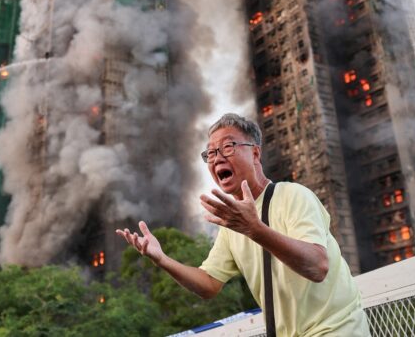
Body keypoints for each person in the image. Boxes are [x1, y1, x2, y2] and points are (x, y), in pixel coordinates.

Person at [116, 113, 370, 336]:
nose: (217, 158)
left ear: (256, 153)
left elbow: (317, 266)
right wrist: (162, 259)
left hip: (336, 330)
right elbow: (208, 284)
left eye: (228, 147)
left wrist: (254, 229)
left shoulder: (293, 196)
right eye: (211, 153)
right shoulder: (232, 225)